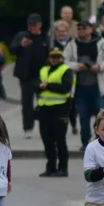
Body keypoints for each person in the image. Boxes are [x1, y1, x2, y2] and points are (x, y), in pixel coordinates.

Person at [71, 20, 104, 151]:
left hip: (98, 86)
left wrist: (99, 67)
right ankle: (85, 143)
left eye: (83, 28)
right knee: (83, 116)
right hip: (80, 87)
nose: (81, 30)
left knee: (100, 115)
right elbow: (65, 61)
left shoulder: (100, 43)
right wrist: (77, 66)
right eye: (79, 28)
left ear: (90, 29)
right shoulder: (73, 44)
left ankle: (99, 141)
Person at [9, 14, 50, 139]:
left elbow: (50, 54)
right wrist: (21, 45)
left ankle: (45, 126)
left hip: (41, 76)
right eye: (30, 25)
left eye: (34, 25)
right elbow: (12, 50)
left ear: (40, 25)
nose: (31, 27)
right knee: (26, 103)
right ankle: (28, 127)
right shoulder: (22, 36)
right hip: (26, 76)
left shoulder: (44, 37)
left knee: (43, 103)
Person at [36, 48, 74, 178]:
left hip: (60, 109)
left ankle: (63, 168)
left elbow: (65, 88)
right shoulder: (43, 70)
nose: (55, 59)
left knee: (60, 140)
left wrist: (48, 85)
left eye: (58, 57)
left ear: (62, 58)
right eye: (53, 57)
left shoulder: (66, 70)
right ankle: (50, 167)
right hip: (44, 109)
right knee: (47, 140)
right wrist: (40, 86)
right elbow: (35, 85)